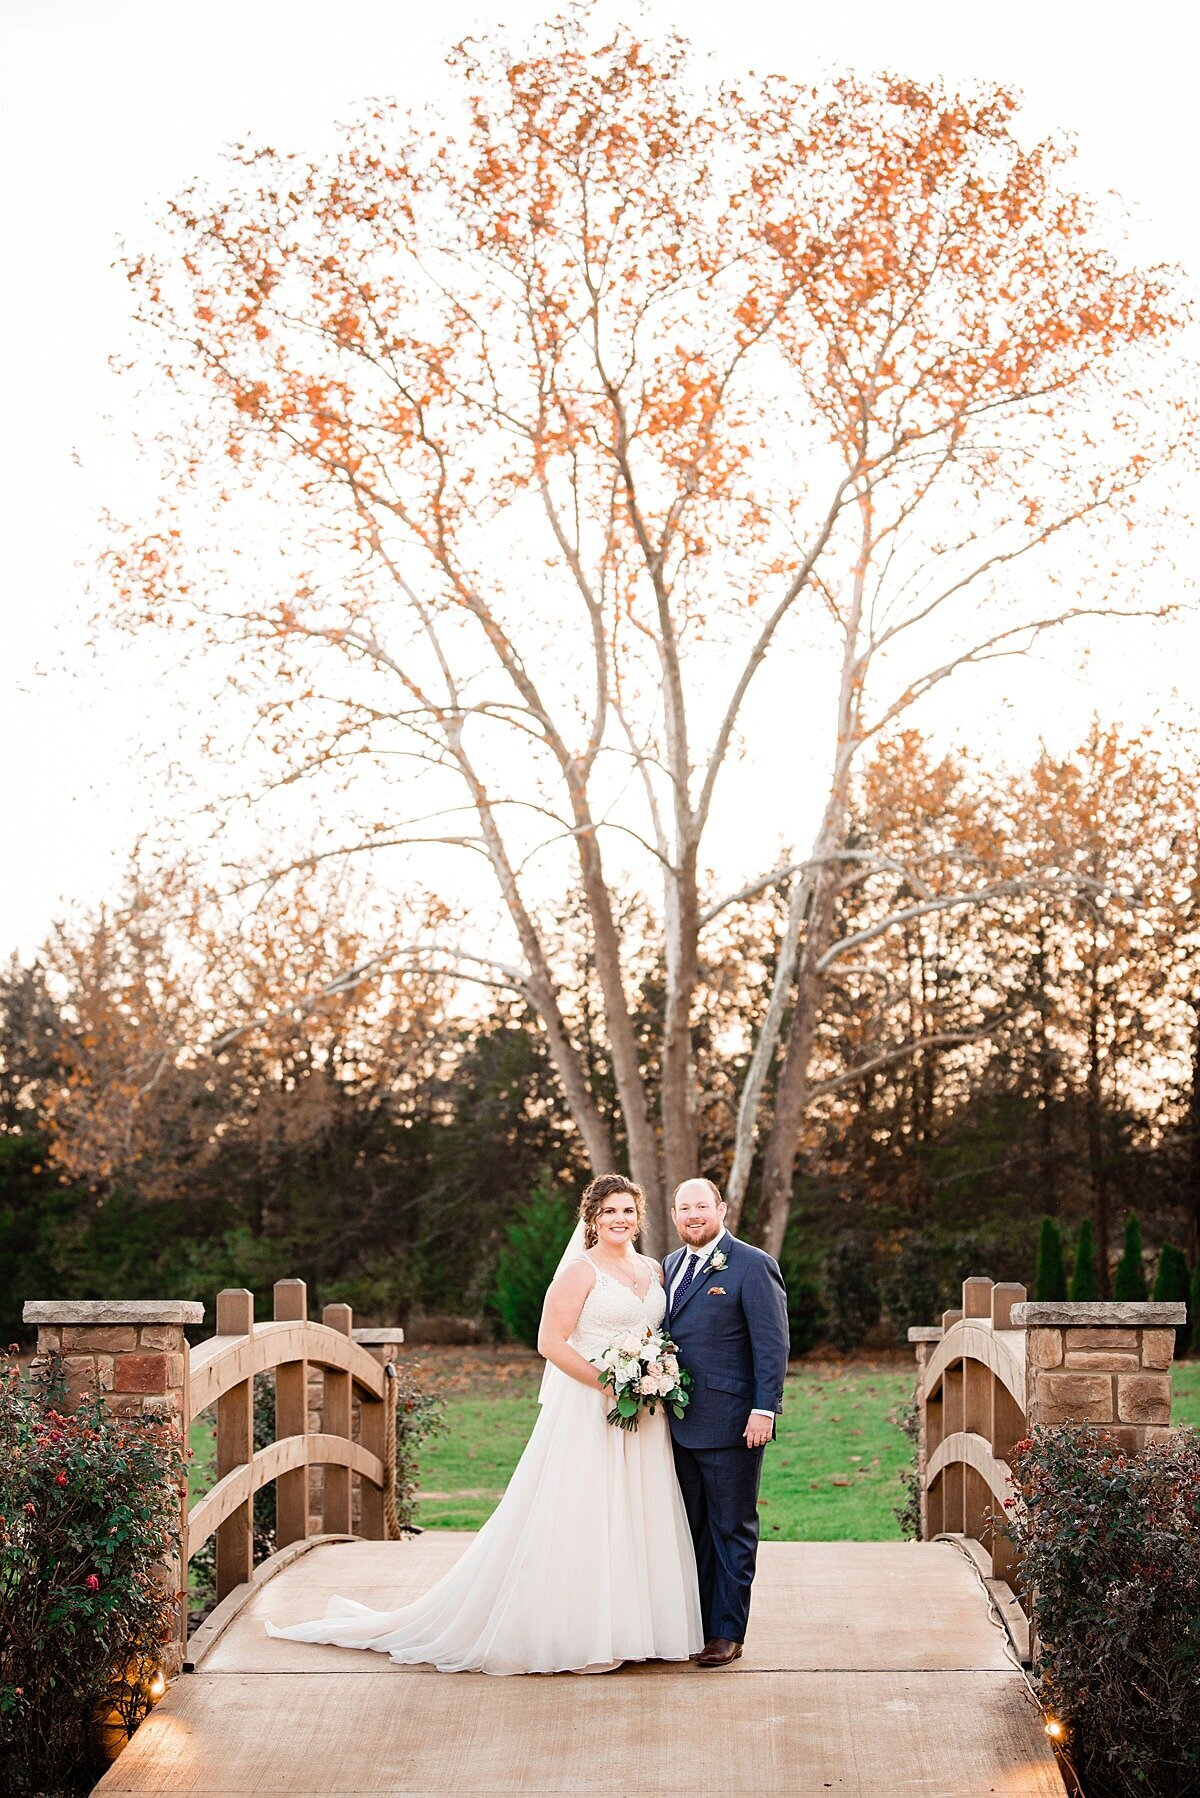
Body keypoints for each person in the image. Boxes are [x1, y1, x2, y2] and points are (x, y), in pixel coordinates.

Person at [266, 1173, 702, 1675]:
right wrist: (608, 1383)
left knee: (638, 1511)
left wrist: (654, 1373)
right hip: (591, 1408)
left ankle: (637, 1629)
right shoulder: (580, 1272)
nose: (619, 1219)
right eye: (609, 1212)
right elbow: (550, 1343)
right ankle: (580, 1632)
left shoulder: (653, 1269)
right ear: (592, 1218)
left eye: (627, 1210)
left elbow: (656, 1332)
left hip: (644, 1413)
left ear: (639, 1216)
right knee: (589, 1509)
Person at [663, 1177, 789, 1668]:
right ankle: (698, 1622)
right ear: (674, 1216)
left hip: (734, 1423)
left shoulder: (753, 1265)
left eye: (702, 1206)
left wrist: (764, 1409)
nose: (693, 1215)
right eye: (684, 1207)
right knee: (692, 1529)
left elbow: (771, 1343)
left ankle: (727, 1632)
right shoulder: (671, 1266)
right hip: (675, 1423)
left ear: (721, 1208)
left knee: (731, 1528)